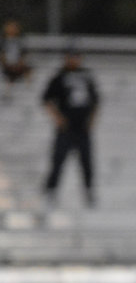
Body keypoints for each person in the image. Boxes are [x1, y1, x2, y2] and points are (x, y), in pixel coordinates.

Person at [42, 50, 99, 207]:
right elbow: (46, 98)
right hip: (66, 128)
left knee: (86, 162)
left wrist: (92, 121)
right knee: (58, 160)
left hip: (82, 128)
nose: (74, 60)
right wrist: (58, 118)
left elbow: (96, 101)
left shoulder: (86, 76)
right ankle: (50, 192)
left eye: (76, 56)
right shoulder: (59, 76)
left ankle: (89, 192)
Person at [1, 18, 31, 100]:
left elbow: (23, 55)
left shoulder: (20, 41)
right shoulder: (3, 41)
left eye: (14, 27)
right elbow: (2, 55)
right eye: (10, 27)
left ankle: (28, 90)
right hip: (7, 65)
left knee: (28, 70)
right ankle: (8, 92)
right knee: (9, 75)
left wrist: (19, 63)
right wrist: (6, 63)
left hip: (17, 65)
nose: (12, 29)